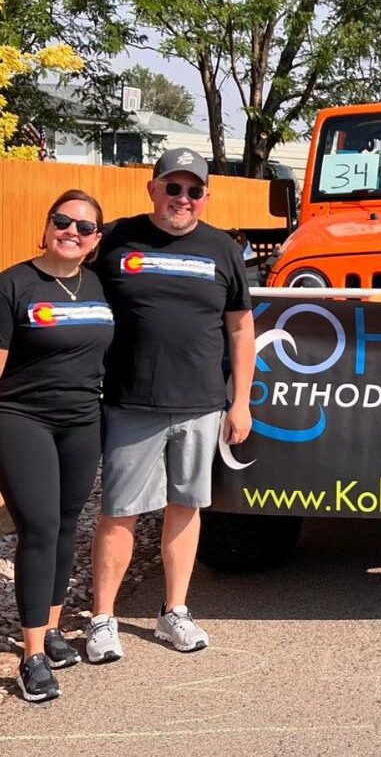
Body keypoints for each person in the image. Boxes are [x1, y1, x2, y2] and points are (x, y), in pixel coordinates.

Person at [86, 148, 254, 663]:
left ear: (205, 196)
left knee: (186, 508)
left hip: (201, 405)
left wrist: (240, 401)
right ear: (152, 188)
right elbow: (62, 271)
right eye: (173, 187)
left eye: (194, 190)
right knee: (120, 513)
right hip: (131, 402)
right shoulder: (114, 238)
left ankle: (173, 612)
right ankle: (102, 620)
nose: (183, 198)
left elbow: (241, 328)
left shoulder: (223, 248)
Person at [0, 191, 113, 702]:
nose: (72, 231)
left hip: (82, 421)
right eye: (63, 221)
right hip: (21, 419)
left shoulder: (98, 285)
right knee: (40, 528)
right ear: (47, 226)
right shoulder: (14, 283)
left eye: (85, 227)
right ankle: (31, 659)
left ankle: (48, 627)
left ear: (95, 241)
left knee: (68, 525)